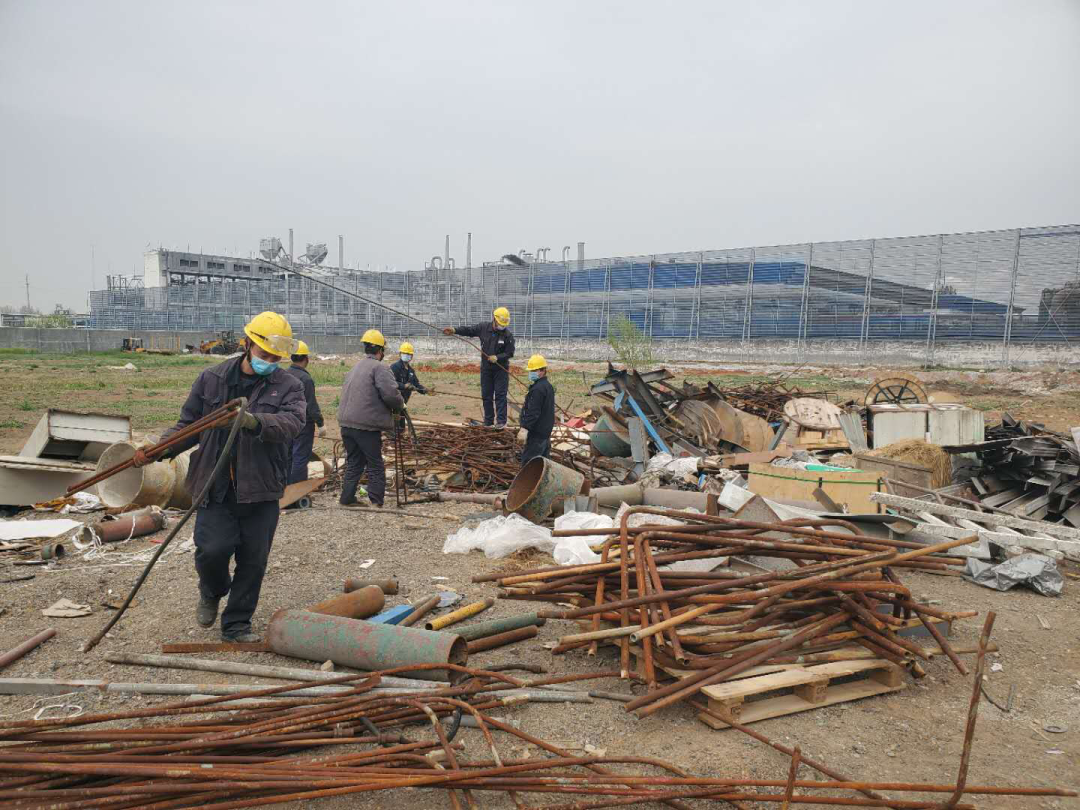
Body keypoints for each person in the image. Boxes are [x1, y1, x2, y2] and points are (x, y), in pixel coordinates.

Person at [133, 311, 305, 642]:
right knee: (211, 551)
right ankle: (212, 590)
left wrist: (253, 422)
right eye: (265, 354)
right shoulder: (212, 378)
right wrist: (159, 449)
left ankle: (236, 624)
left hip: (261, 487)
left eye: (276, 358)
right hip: (215, 484)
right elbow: (189, 425)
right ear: (248, 344)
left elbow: (293, 423)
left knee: (253, 561)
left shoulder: (289, 385)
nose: (270, 362)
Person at [337, 329, 404, 508]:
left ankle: (347, 498)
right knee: (375, 464)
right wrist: (401, 405)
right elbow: (391, 394)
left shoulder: (355, 367)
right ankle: (376, 501)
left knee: (354, 462)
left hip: (346, 424)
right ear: (381, 350)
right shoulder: (380, 367)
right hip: (365, 426)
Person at [442, 307, 514, 427]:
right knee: (486, 395)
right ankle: (488, 422)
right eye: (500, 324)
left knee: (500, 396)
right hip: (486, 369)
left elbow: (510, 353)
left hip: (500, 370)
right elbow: (469, 330)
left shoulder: (508, 335)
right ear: (494, 319)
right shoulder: (483, 328)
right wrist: (454, 330)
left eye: (504, 324)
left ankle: (501, 422)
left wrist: (497, 357)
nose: (502, 326)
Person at [284, 340, 325, 485]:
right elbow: (311, 405)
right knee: (300, 457)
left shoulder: (284, 375)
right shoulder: (306, 379)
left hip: (285, 422)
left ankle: (286, 488)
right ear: (306, 358)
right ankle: (298, 491)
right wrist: (321, 424)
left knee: (288, 456)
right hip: (303, 424)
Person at [519, 354, 555, 466]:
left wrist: (525, 428)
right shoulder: (547, 386)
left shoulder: (538, 389)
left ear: (542, 370)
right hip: (545, 433)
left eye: (534, 370)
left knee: (529, 466)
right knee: (543, 466)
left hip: (536, 435)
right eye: (531, 370)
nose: (531, 373)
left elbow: (533, 412)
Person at [389, 341, 430, 432]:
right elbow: (390, 383)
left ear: (412, 356)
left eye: (408, 354)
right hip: (395, 403)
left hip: (403, 403)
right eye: (404, 353)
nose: (406, 355)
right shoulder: (394, 367)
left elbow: (416, 384)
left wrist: (425, 390)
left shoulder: (411, 371)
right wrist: (404, 386)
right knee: (395, 427)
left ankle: (399, 434)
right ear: (400, 354)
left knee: (401, 427)